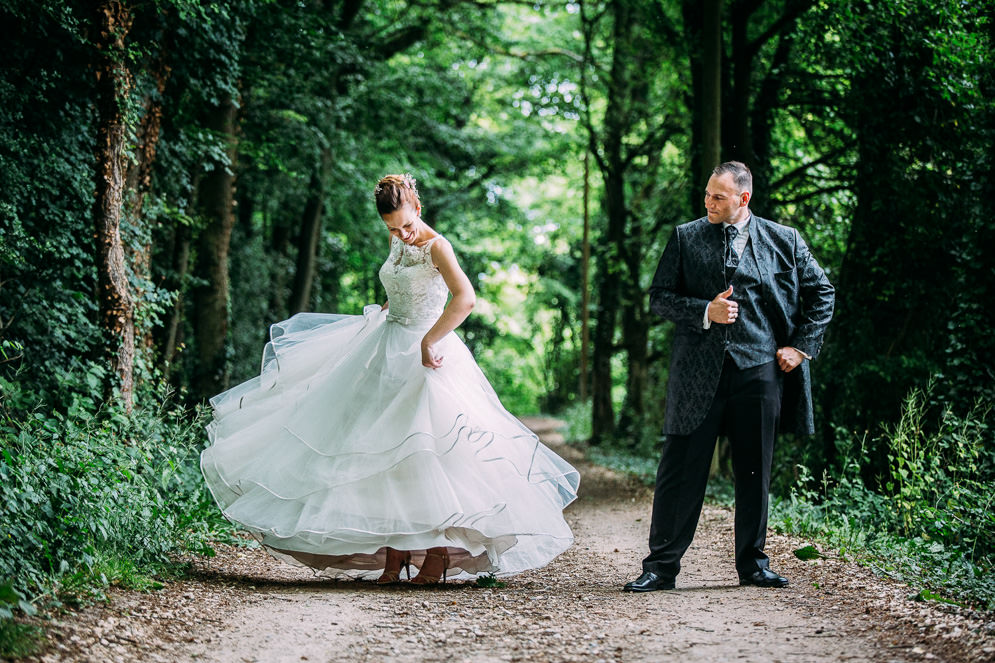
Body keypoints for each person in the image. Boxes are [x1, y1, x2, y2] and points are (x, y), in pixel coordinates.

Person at [201, 174, 579, 585]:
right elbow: (398, 286)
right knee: (378, 452)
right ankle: (395, 557)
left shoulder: (438, 246)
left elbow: (466, 298)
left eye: (405, 223)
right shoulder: (397, 240)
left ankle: (436, 555)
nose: (401, 232)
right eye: (392, 228)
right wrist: (385, 310)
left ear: (416, 205)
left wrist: (430, 340)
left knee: (422, 453)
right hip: (386, 347)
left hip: (427, 355)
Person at [623, 161, 834, 592]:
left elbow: (821, 292)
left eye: (718, 197)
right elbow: (660, 298)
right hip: (696, 376)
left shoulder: (785, 240)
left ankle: (753, 565)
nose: (708, 203)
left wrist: (800, 347)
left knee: (755, 471)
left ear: (744, 198)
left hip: (759, 373)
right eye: (706, 194)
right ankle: (660, 568)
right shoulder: (686, 236)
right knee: (679, 471)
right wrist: (705, 310)